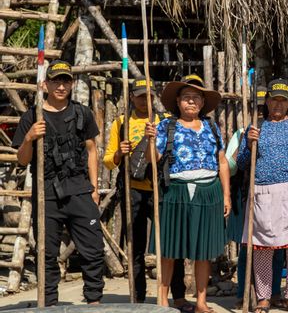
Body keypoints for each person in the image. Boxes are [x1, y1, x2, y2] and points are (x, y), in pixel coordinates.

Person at [13, 60, 104, 306]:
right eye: (56, 80)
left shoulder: (82, 113)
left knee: (93, 249)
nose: (61, 86)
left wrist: (94, 188)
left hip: (79, 189)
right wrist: (30, 137)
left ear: (72, 84)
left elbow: (92, 150)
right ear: (45, 84)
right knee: (46, 253)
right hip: (46, 192)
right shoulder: (32, 116)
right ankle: (49, 303)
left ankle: (94, 301)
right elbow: (22, 160)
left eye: (66, 81)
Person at [146, 74, 231, 312]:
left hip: (208, 191)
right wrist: (150, 141)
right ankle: (162, 301)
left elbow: (222, 162)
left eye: (196, 98)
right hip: (176, 191)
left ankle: (201, 302)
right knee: (169, 249)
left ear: (203, 103)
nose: (191, 102)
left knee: (203, 251)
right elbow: (155, 161)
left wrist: (226, 196)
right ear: (178, 102)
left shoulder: (212, 127)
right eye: (186, 97)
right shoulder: (166, 126)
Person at [104, 79, 192, 308]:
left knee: (172, 244)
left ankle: (179, 296)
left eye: (149, 96)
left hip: (162, 190)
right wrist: (118, 154)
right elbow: (107, 161)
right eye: (140, 96)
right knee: (135, 245)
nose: (145, 100)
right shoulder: (121, 123)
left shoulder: (164, 123)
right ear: (131, 97)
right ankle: (138, 297)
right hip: (132, 191)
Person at [238, 79, 288, 313]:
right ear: (267, 100)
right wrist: (249, 143)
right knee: (262, 246)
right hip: (262, 192)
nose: (278, 104)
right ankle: (263, 298)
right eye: (274, 99)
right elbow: (242, 163)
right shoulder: (256, 127)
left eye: (283, 100)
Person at [227, 87, 287, 310]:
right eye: (260, 106)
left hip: (276, 196)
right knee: (249, 247)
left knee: (278, 245)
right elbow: (233, 166)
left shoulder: (283, 131)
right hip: (250, 196)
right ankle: (244, 291)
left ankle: (274, 292)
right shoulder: (243, 132)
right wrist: (247, 142)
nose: (263, 111)